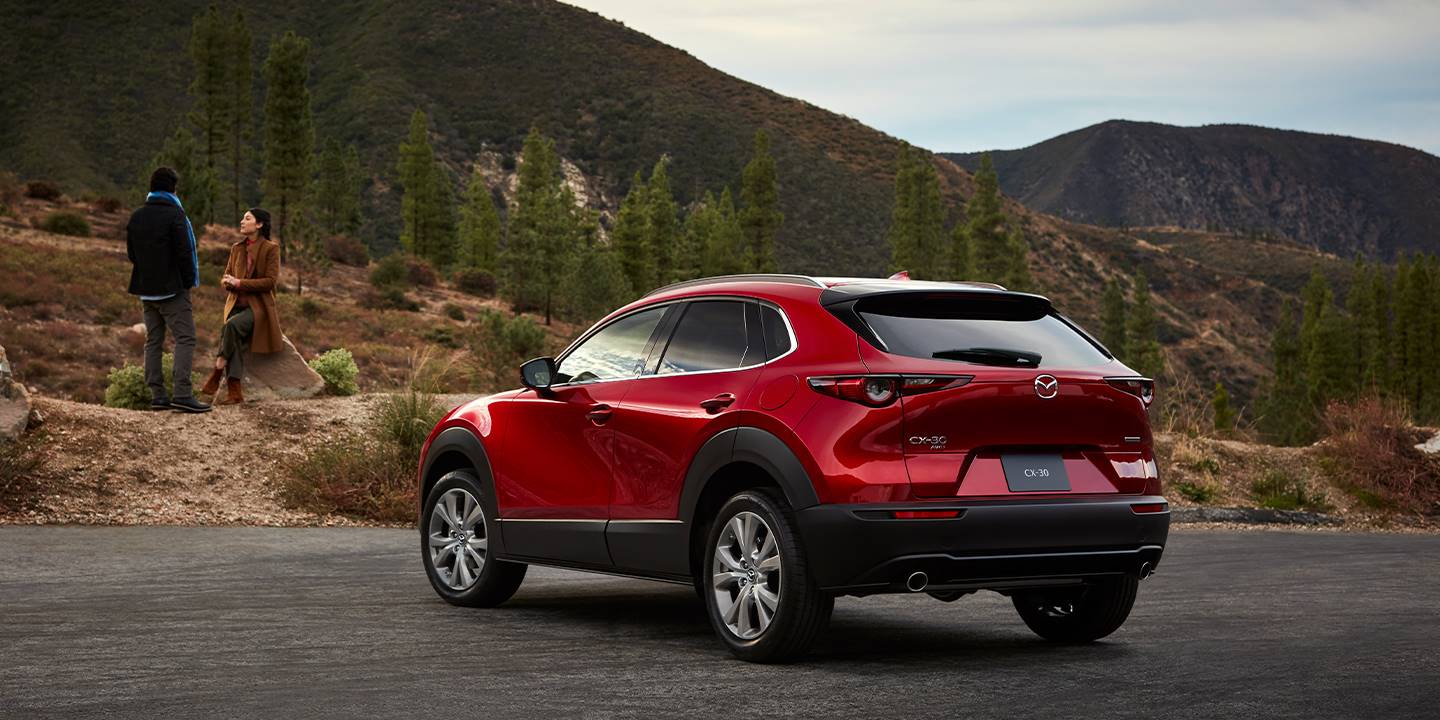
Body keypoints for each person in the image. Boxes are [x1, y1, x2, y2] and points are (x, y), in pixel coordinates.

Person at [126, 167, 210, 413]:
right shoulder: (175, 215)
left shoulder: (137, 216)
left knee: (154, 340)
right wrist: (186, 283)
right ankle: (183, 394)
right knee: (185, 338)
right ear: (173, 188)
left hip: (146, 290)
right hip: (173, 290)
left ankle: (158, 396)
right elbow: (185, 253)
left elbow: (132, 254)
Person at [199, 208, 283, 405]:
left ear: (259, 224)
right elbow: (226, 276)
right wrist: (228, 282)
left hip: (259, 308)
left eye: (247, 219)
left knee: (230, 327)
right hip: (235, 305)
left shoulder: (271, 249)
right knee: (233, 335)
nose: (242, 222)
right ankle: (235, 393)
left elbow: (270, 282)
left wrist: (240, 283)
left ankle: (218, 369)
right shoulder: (237, 248)